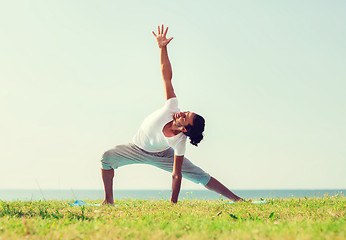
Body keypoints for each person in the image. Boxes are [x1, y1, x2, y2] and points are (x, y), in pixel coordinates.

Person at [100, 25, 244, 205]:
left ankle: (237, 199)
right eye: (186, 112)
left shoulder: (179, 142)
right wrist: (162, 48)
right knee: (107, 157)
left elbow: (177, 174)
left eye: (185, 117)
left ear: (184, 129)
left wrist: (173, 204)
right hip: (136, 148)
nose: (181, 113)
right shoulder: (172, 106)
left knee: (200, 175)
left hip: (163, 155)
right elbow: (166, 75)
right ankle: (108, 201)